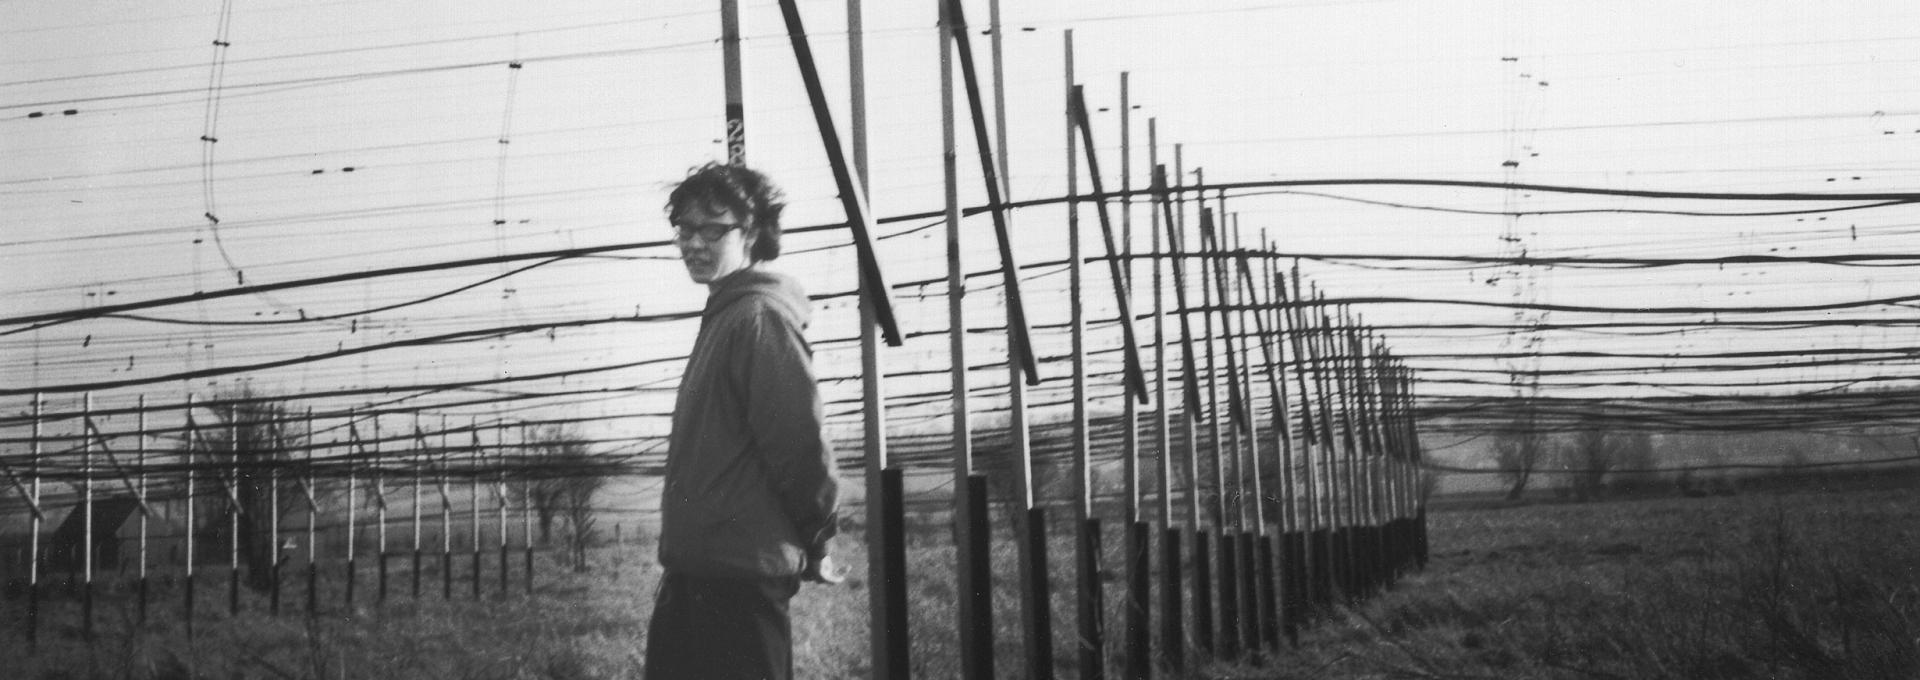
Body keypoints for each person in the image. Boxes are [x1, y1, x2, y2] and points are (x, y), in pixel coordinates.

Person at [644, 162, 844, 680]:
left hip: (739, 583)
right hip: (695, 574)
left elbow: (800, 446)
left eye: (712, 229)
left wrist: (818, 538)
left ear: (752, 234)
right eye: (684, 230)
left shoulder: (757, 318)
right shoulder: (725, 315)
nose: (693, 242)